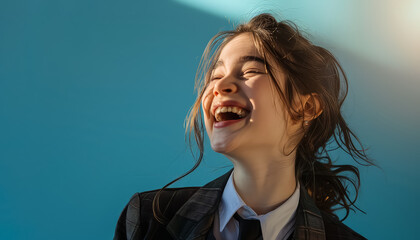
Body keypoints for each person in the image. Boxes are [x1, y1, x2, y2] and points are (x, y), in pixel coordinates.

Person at [114, 13, 374, 240]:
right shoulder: (147, 219)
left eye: (250, 71)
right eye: (215, 76)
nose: (219, 86)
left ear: (306, 108)